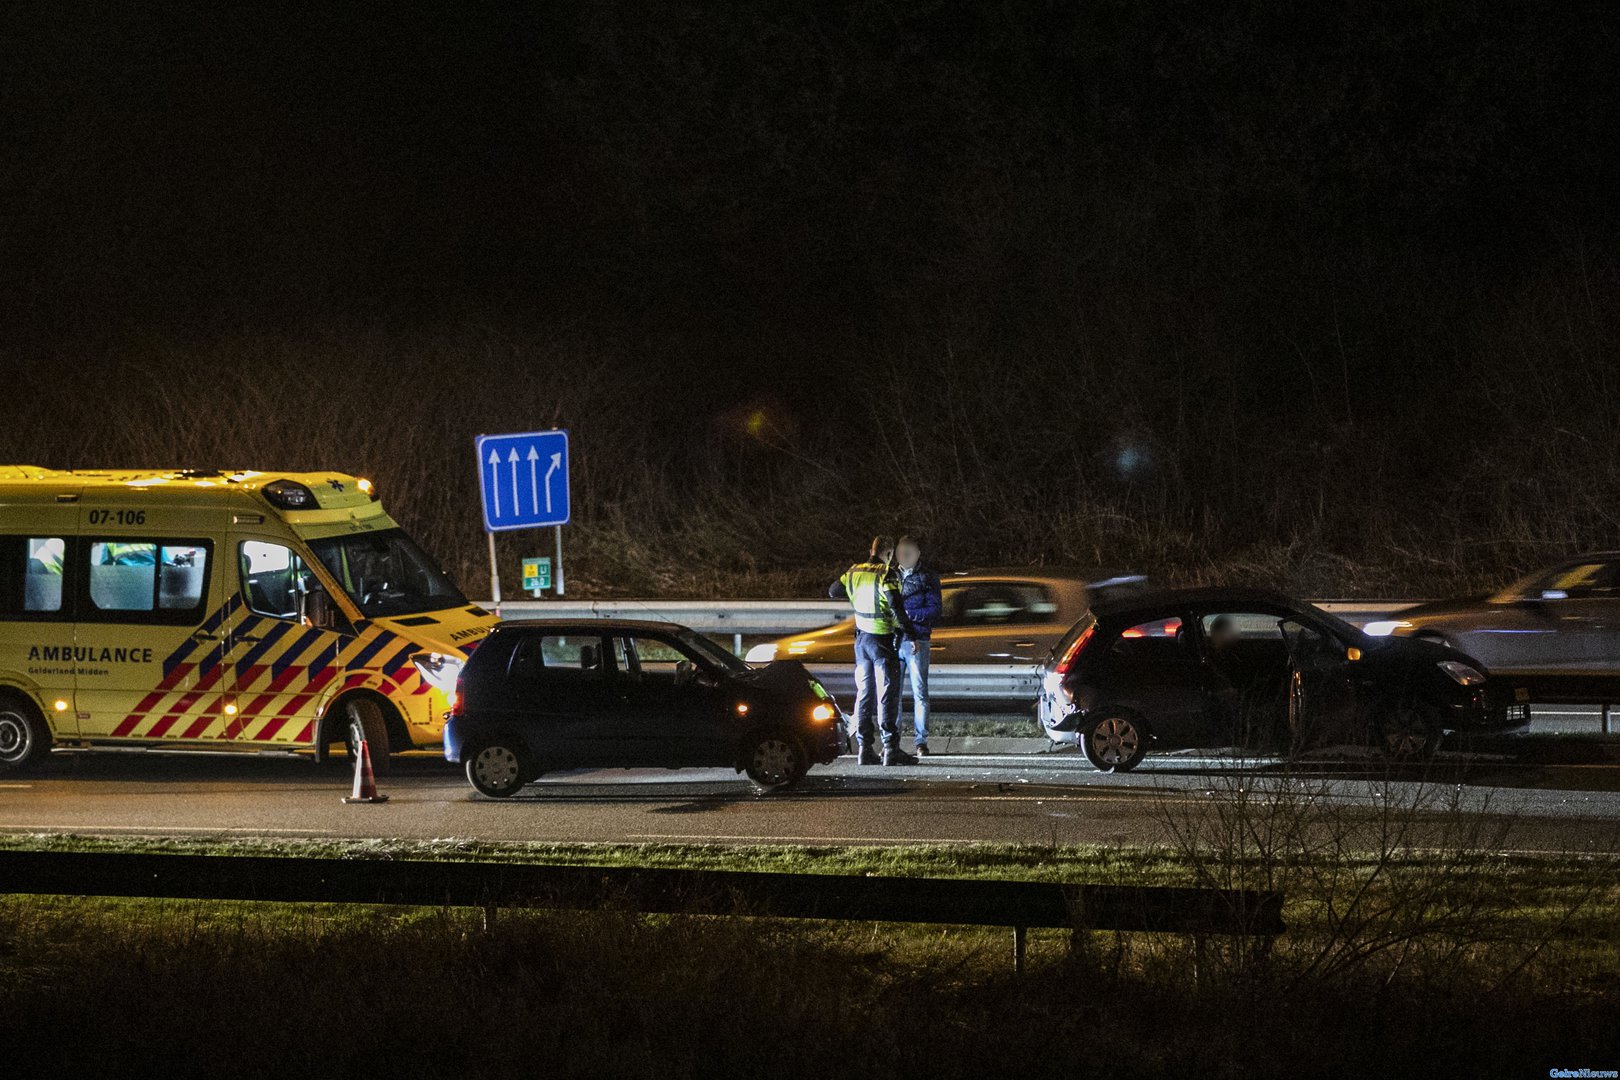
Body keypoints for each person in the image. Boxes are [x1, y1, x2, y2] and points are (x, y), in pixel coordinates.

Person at [828, 535, 916, 766]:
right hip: (882, 640)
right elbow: (897, 608)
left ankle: (864, 748)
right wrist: (911, 635)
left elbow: (833, 590)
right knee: (887, 693)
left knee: (864, 693)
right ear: (888, 554)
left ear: (871, 550)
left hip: (861, 641)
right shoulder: (886, 574)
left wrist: (858, 596)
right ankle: (890, 748)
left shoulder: (854, 572)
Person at [894, 535, 942, 755]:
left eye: (909, 551)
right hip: (895, 640)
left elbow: (934, 611)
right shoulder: (891, 575)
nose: (904, 556)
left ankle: (920, 741)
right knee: (893, 693)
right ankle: (892, 740)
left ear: (918, 554)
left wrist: (905, 616)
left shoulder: (928, 578)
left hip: (918, 641)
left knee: (919, 692)